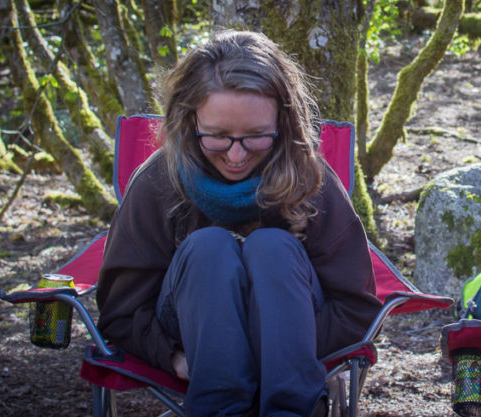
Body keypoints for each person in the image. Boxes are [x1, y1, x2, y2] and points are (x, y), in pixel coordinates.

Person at [95, 30, 382, 417]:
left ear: (282, 123)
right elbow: (122, 310)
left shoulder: (309, 180)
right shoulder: (159, 181)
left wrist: (278, 348)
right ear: (188, 119)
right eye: (217, 137)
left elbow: (355, 308)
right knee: (208, 247)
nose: (235, 155)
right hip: (193, 336)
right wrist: (173, 356)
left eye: (255, 137)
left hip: (293, 343)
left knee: (272, 247)